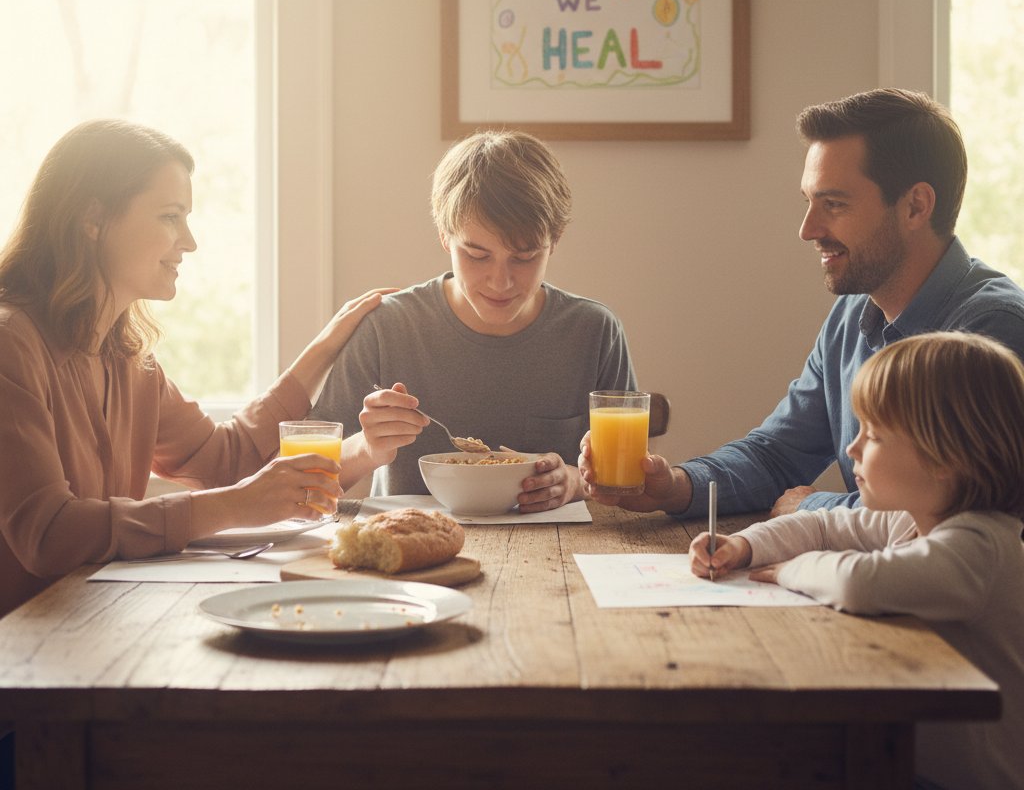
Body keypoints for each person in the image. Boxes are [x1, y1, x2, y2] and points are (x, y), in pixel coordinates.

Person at [0, 119, 391, 616]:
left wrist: (329, 345)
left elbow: (225, 460)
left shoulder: (130, 360)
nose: (189, 241)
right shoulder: (10, 343)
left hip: (93, 629)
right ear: (92, 219)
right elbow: (49, 533)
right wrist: (234, 506)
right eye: (170, 216)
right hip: (21, 663)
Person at [580, 88, 1024, 518]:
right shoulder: (853, 315)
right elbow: (777, 455)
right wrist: (674, 487)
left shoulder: (994, 331)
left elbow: (953, 510)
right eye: (810, 202)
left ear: (915, 206)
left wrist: (809, 506)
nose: (808, 229)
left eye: (833, 204)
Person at [689, 331, 1024, 790]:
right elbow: (821, 526)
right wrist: (743, 546)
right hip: (910, 760)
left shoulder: (980, 547)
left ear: (944, 457)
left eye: (875, 434)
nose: (852, 448)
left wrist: (789, 570)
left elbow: (859, 583)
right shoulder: (914, 519)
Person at [309, 129, 636, 511]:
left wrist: (574, 482)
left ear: (555, 240)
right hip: (409, 551)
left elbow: (623, 480)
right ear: (445, 238)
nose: (501, 281)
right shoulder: (387, 327)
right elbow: (308, 483)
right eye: (477, 256)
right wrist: (367, 447)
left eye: (525, 256)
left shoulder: (593, 331)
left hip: (559, 552)